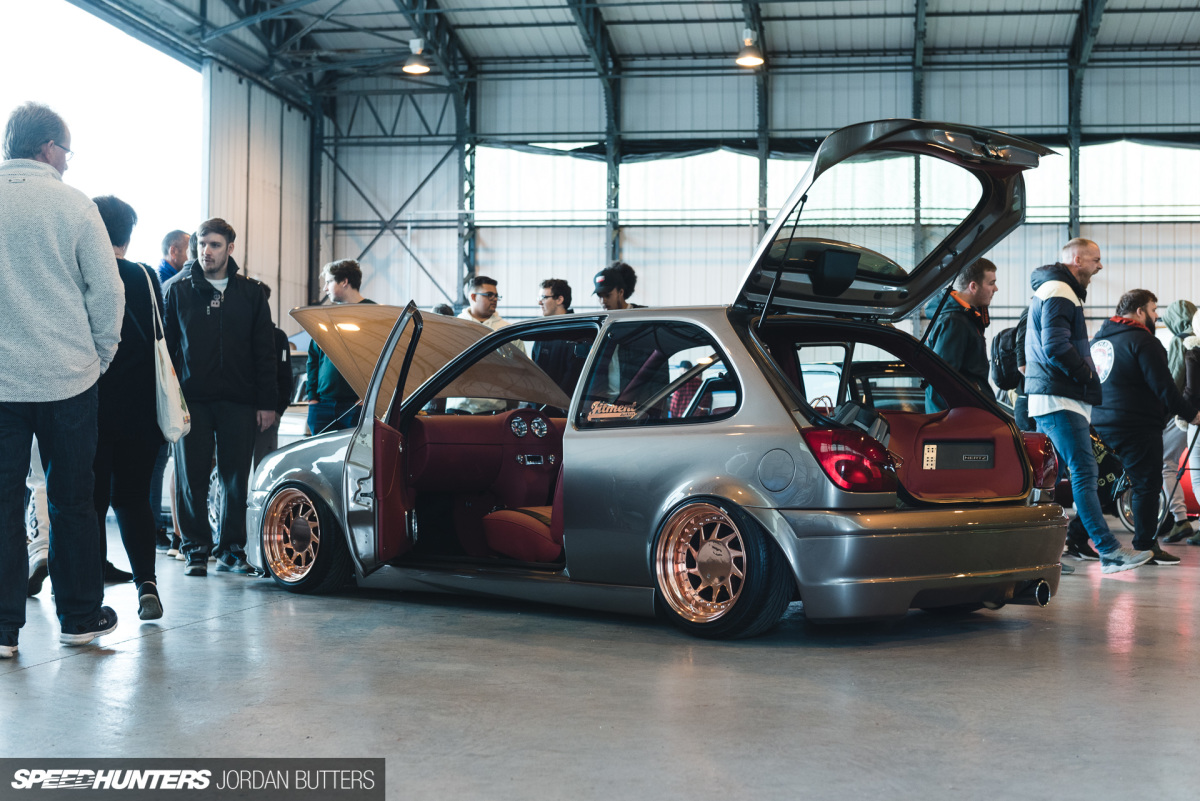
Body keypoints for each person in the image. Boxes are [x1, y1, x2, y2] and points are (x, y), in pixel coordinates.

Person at [0, 102, 124, 657]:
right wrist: (100, 356)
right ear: (48, 148)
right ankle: (78, 618)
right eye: (67, 151)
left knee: (2, 504)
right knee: (72, 501)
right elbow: (108, 290)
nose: (68, 163)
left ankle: (2, 631)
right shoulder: (74, 205)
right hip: (69, 378)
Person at [1025, 238, 1152, 574]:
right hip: (1061, 399)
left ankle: (1038, 556)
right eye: (1096, 259)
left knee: (1047, 480)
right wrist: (1088, 377)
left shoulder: (1053, 290)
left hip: (1051, 397)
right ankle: (1109, 552)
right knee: (1084, 472)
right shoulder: (1060, 291)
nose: (1100, 266)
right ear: (1077, 259)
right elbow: (1055, 346)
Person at [163, 217, 276, 577]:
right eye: (201, 244)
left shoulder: (251, 294)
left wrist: (267, 402)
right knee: (191, 478)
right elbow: (164, 352)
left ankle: (230, 550)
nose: (206, 251)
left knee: (234, 479)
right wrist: (167, 400)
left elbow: (265, 352)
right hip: (191, 401)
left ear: (230, 248)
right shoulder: (177, 291)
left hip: (239, 401)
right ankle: (195, 550)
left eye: (214, 244)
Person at [91, 196, 167, 618]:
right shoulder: (146, 276)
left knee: (91, 503)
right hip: (143, 412)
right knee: (134, 499)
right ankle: (147, 585)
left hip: (93, 409)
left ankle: (90, 596)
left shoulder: (86, 273)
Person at [1090, 289, 1200, 565]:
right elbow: (1164, 387)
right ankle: (1146, 546)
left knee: (1106, 484)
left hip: (1101, 423)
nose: (1156, 315)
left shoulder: (1100, 340)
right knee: (1146, 485)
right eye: (1153, 309)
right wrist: (1191, 414)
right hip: (1137, 424)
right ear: (1139, 311)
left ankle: (1078, 536)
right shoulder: (1143, 341)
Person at [306, 259, 375, 434]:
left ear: (344, 281)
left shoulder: (374, 315)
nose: (325, 288)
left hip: (357, 406)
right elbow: (313, 358)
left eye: (328, 282)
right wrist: (312, 397)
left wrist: (366, 398)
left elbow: (382, 358)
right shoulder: (326, 317)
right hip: (322, 406)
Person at [924, 258, 997, 410]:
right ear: (973, 286)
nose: (995, 289)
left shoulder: (966, 318)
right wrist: (945, 421)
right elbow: (942, 379)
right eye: (991, 283)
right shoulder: (955, 322)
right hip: (960, 416)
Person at [1158, 299, 1197, 543]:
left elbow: (1173, 380)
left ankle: (1180, 519)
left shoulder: (1180, 341)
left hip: (1186, 415)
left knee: (1165, 463)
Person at [252, 280, 295, 470]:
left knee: (264, 468)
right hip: (239, 412)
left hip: (268, 415)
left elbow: (285, 376)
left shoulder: (277, 337)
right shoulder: (236, 333)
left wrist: (277, 410)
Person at [532, 279, 586, 396]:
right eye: (539, 298)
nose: (540, 302)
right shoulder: (541, 331)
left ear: (559, 300)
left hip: (564, 404)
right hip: (539, 401)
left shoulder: (577, 333)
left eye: (544, 297)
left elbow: (573, 377)